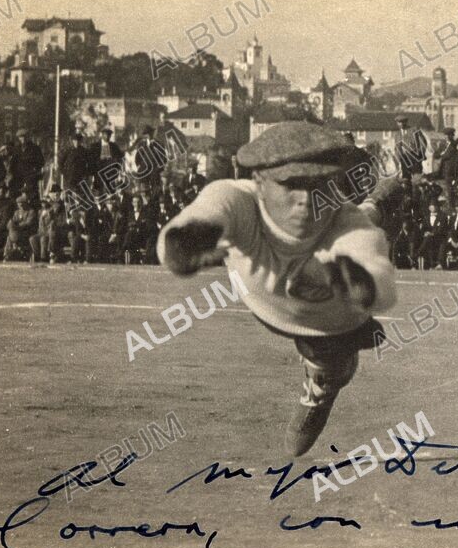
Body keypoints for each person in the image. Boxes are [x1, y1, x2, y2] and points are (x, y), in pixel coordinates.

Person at [156, 122, 398, 456]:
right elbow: (203, 215)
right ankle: (379, 201)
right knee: (367, 214)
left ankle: (321, 386)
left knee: (332, 368)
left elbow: (378, 275)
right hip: (268, 305)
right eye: (291, 185)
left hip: (325, 323)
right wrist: (186, 244)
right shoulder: (236, 198)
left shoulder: (347, 224)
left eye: (318, 185)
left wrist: (359, 284)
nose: (305, 200)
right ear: (260, 182)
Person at [12, 129, 45, 200]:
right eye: (21, 137)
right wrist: (14, 174)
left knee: (32, 196)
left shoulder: (35, 148)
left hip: (31, 177)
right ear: (18, 138)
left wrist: (35, 171)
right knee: (18, 196)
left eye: (24, 137)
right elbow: (12, 163)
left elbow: (41, 162)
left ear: (28, 137)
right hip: (19, 177)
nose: (23, 139)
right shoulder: (16, 149)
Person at [4, 194, 37, 261]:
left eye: (22, 203)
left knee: (11, 236)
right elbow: (13, 221)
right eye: (19, 204)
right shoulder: (16, 212)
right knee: (9, 236)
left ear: (26, 203)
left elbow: (28, 223)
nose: (21, 205)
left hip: (27, 231)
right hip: (18, 232)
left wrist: (17, 226)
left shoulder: (31, 211)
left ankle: (9, 253)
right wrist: (11, 224)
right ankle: (7, 254)